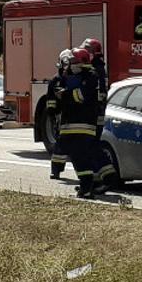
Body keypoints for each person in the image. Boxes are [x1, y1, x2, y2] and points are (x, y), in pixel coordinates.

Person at [56, 47, 114, 197]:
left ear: (82, 62)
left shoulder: (90, 76)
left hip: (83, 125)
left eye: (74, 62)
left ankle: (88, 186)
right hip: (71, 124)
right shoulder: (73, 75)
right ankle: (89, 184)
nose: (71, 65)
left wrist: (66, 94)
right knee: (80, 156)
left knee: (80, 155)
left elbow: (81, 96)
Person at [46, 48, 75, 179]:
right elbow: (50, 98)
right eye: (64, 64)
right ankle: (56, 170)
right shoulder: (55, 80)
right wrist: (52, 114)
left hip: (74, 115)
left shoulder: (74, 78)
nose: (66, 68)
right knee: (60, 145)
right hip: (61, 116)